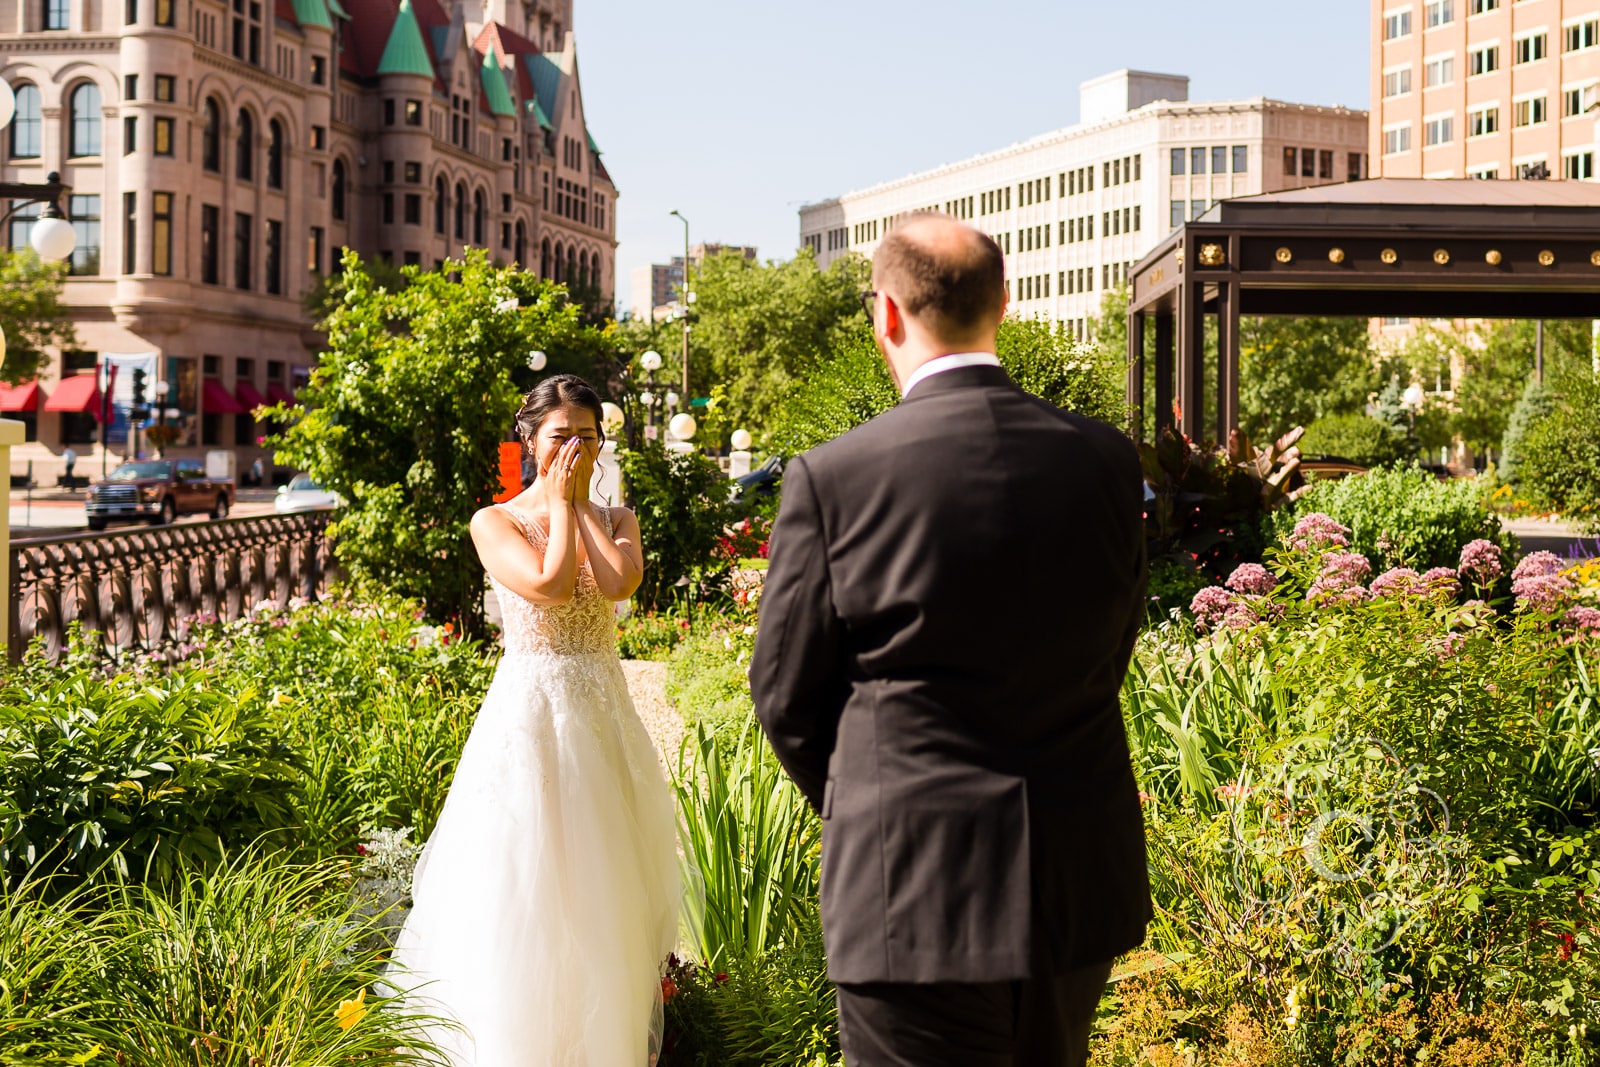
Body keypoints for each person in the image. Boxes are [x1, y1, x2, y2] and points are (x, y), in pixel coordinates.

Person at [750, 214, 1151, 1067]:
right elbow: (1112, 646)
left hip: (910, 888)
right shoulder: (1107, 462)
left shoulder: (836, 476)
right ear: (1003, 304)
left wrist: (878, 800)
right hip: (1073, 881)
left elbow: (786, 697)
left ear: (884, 316)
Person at [386, 374, 680, 1065]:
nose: (575, 448)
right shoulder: (496, 521)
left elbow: (617, 584)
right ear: (530, 440)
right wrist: (552, 500)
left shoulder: (619, 518)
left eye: (587, 436)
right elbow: (548, 587)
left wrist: (578, 509)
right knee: (527, 884)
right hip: (533, 716)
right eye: (560, 437)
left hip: (602, 715)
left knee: (606, 890)